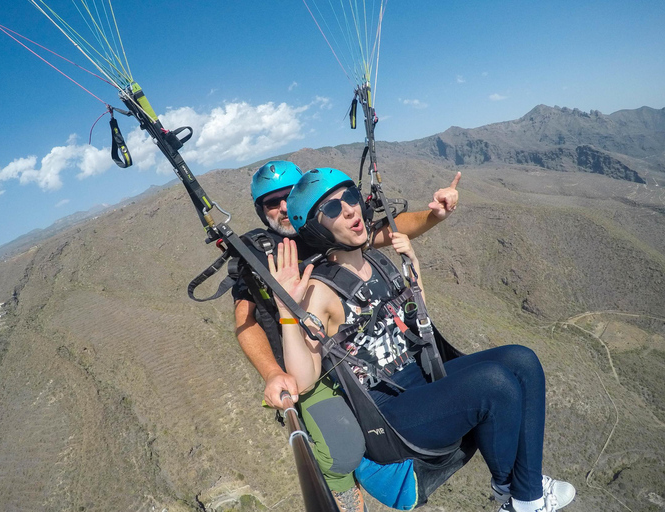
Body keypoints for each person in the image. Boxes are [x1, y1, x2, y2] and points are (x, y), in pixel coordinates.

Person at [270, 168, 576, 512]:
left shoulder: (378, 261)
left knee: (522, 360)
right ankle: (518, 498)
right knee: (495, 384)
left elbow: (418, 324)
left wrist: (413, 268)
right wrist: (287, 310)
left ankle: (527, 492)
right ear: (315, 228)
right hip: (389, 417)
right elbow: (306, 377)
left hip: (423, 386)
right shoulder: (319, 291)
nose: (351, 210)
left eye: (351, 198)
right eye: (332, 208)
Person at [234, 161, 459, 511]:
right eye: (271, 203)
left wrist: (436, 216)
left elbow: (384, 231)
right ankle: (344, 494)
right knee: (341, 451)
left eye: (288, 198)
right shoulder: (259, 256)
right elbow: (245, 320)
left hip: (355, 350)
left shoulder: (329, 227)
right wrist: (272, 373)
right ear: (260, 211)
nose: (281, 207)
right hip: (308, 365)